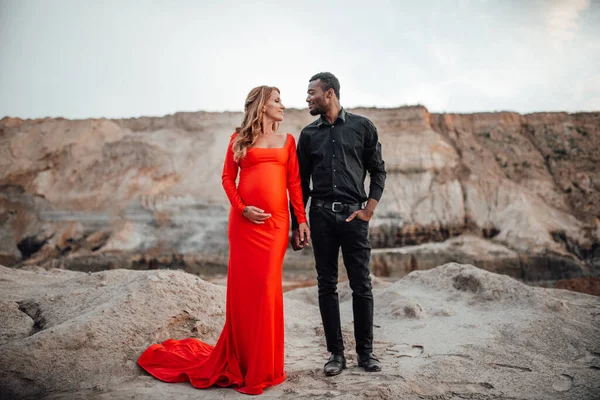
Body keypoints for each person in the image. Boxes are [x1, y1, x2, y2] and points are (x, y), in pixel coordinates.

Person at [138, 86, 311, 395]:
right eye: (276, 101)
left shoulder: (288, 142)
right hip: (244, 228)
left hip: (274, 227)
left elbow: (294, 183)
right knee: (245, 293)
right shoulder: (239, 140)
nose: (282, 106)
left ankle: (265, 366)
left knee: (266, 288)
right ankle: (244, 363)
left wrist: (301, 221)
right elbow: (227, 179)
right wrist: (243, 209)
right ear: (262, 106)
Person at [290, 72, 386, 376]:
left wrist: (368, 209)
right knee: (326, 285)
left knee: (361, 285)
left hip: (353, 216)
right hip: (320, 216)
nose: (307, 98)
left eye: (311, 93)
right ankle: (336, 355)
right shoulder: (308, 135)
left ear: (329, 93)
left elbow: (378, 171)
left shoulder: (362, 127)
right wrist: (299, 222)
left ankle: (365, 354)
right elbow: (299, 183)